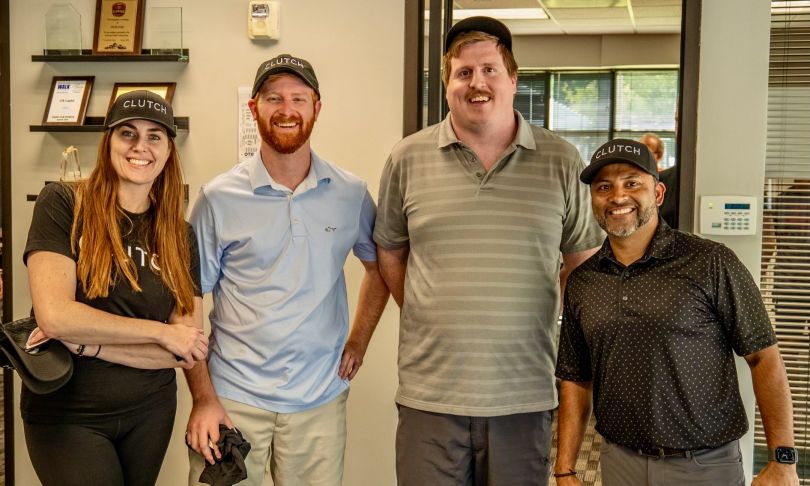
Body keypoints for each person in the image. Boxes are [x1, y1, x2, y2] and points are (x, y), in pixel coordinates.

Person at [374, 16, 604, 486]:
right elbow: (391, 254)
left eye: (489, 70)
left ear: (513, 79)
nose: (477, 83)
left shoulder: (561, 161)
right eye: (463, 73)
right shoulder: (407, 158)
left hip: (523, 395)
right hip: (430, 397)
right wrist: (428, 309)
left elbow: (580, 266)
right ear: (447, 83)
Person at [185, 54, 389, 486]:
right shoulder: (218, 198)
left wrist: (359, 339)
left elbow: (380, 268)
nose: (286, 108)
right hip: (232, 399)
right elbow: (188, 301)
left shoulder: (350, 193)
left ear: (317, 108)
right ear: (254, 107)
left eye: (299, 97)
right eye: (274, 97)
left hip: (319, 401)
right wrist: (203, 397)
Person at [554, 138, 799, 486]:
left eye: (632, 183)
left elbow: (764, 359)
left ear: (657, 193)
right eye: (604, 187)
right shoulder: (583, 280)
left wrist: (783, 459)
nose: (617, 196)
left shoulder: (710, 261)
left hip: (704, 466)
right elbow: (576, 378)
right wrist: (564, 468)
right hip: (618, 462)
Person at [23, 90, 208, 486]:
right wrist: (160, 332)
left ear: (169, 151)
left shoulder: (180, 234)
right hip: (70, 412)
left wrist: (91, 343)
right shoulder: (63, 205)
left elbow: (188, 346)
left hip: (150, 411)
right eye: (128, 133)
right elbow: (55, 316)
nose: (141, 147)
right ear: (108, 141)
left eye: (155, 136)